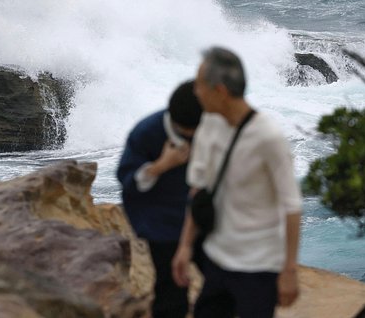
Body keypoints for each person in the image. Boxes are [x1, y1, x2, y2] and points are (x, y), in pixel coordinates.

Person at [172, 47, 302, 318]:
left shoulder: (268, 137)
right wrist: (185, 246)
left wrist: (289, 270)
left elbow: (292, 206)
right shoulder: (208, 124)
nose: (195, 91)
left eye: (199, 85)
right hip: (217, 259)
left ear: (219, 91)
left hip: (259, 266)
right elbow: (198, 190)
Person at [117, 80, 203, 318]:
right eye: (186, 132)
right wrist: (162, 165)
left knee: (223, 280)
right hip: (161, 222)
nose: (192, 136)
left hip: (202, 216)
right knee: (171, 291)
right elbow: (128, 183)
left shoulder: (211, 126)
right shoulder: (147, 132)